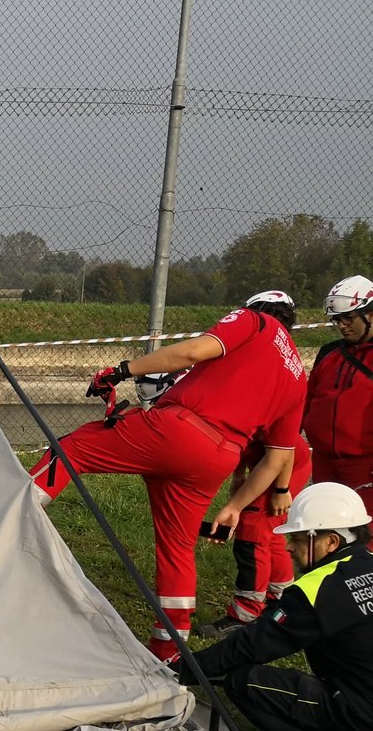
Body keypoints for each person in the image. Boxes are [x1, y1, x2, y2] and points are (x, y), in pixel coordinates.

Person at [29, 290, 307, 661]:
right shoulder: (298, 377)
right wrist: (235, 508)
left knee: (71, 448)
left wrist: (120, 370)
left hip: (182, 429)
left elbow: (193, 352)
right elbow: (277, 458)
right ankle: (169, 651)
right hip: (220, 457)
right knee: (177, 548)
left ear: (255, 308)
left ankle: (12, 511)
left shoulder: (252, 322)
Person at [179, 482, 373, 731]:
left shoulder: (317, 591)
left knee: (245, 682)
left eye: (297, 538)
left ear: (331, 542)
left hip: (364, 713)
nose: (289, 548)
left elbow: (252, 645)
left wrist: (181, 670)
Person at [198, 427, 312, 639]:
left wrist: (281, 489)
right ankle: (281, 600)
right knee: (270, 532)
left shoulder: (260, 404)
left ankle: (245, 615)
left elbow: (284, 447)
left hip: (285, 463)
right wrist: (239, 473)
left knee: (252, 532)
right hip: (270, 459)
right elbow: (241, 436)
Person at [303, 275, 373, 516]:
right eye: (337, 320)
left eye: (349, 318)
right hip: (323, 462)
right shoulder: (329, 353)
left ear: (370, 314)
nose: (343, 325)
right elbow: (307, 402)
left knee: (365, 537)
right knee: (323, 530)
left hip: (365, 466)